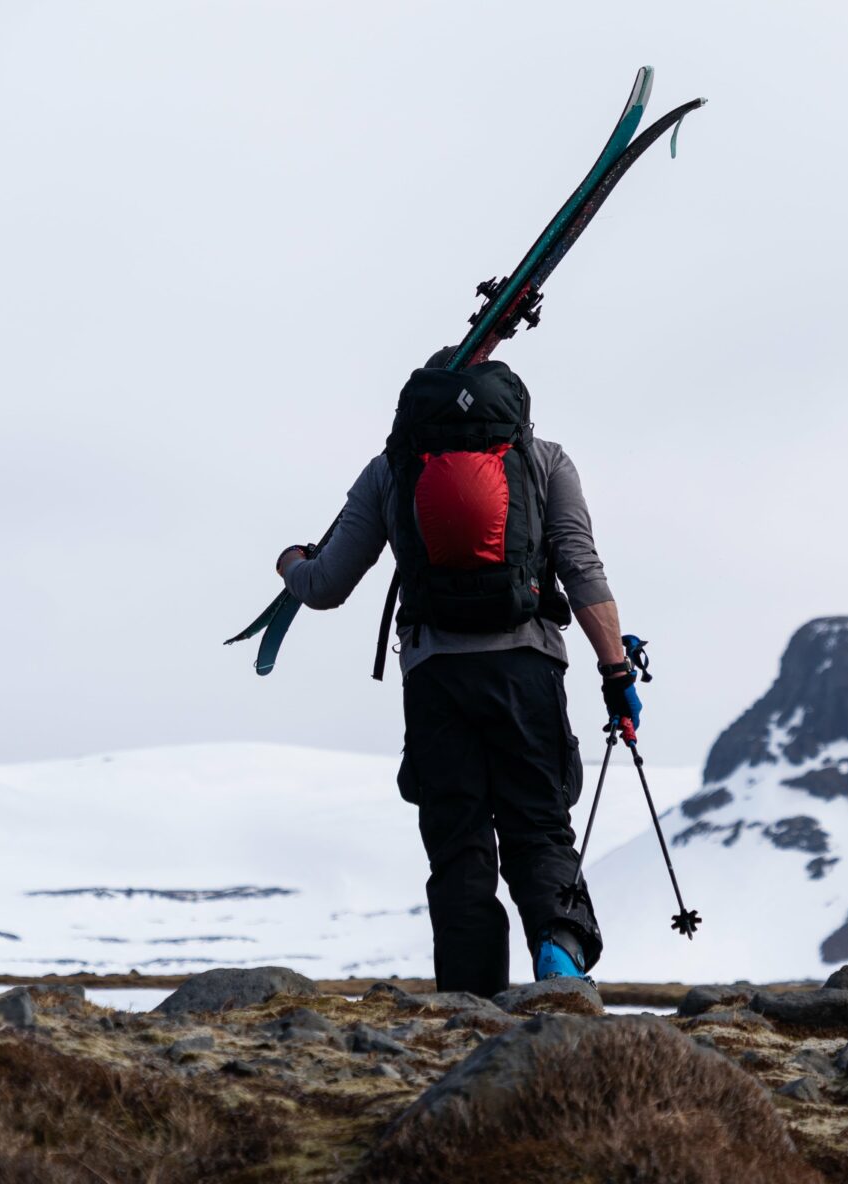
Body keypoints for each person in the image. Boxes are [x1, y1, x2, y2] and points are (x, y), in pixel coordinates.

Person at [274, 354, 640, 998]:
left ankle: (470, 1011)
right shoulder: (544, 458)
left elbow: (326, 586)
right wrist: (615, 673)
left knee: (459, 846)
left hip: (436, 678)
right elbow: (582, 569)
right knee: (539, 826)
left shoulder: (391, 467)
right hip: (528, 671)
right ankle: (558, 971)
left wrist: (290, 565)